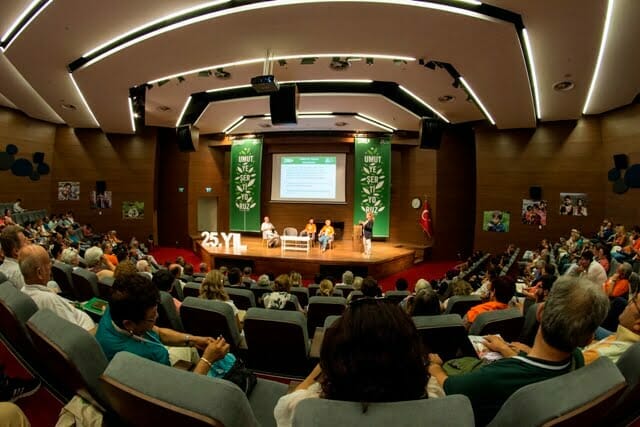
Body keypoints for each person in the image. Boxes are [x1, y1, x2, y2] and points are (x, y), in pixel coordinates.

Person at [428, 276, 609, 426]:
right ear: (588, 339)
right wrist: (506, 349)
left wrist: (436, 367)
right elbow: (538, 370)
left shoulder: (498, 375)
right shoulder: (577, 359)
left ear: (540, 312)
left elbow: (451, 386)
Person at [274, 298, 427, 426]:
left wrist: (318, 371)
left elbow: (284, 407)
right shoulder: (433, 403)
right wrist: (436, 370)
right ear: (412, 352)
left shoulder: (306, 408)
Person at [95, 273, 234, 378]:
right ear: (129, 324)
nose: (157, 317)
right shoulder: (138, 359)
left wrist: (194, 340)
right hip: (167, 382)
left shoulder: (116, 308)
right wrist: (207, 360)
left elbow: (158, 332)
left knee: (191, 348)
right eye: (151, 317)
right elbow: (180, 395)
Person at [19, 245, 95, 331]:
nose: (51, 266)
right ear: (39, 273)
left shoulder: (23, 291)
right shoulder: (49, 299)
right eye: (48, 263)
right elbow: (74, 332)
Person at [583, 291, 640, 364]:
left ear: (638, 324)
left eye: (634, 301)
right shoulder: (625, 339)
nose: (628, 302)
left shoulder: (596, 355)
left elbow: (612, 293)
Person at [0, 226, 28, 290]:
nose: (29, 243)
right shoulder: (20, 273)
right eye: (25, 241)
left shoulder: (1, 268)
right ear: (16, 251)